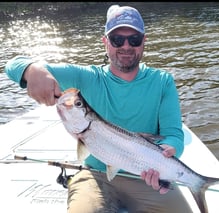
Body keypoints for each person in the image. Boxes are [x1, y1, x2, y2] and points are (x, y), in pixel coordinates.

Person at [5, 4, 190, 213]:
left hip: (146, 177)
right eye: (117, 39)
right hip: (95, 175)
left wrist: (167, 153)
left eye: (134, 39)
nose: (126, 46)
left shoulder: (162, 81)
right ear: (105, 43)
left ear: (143, 42)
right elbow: (12, 65)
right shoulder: (86, 77)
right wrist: (32, 70)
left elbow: (173, 134)